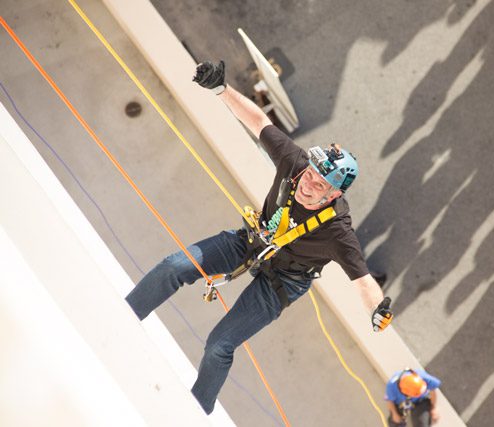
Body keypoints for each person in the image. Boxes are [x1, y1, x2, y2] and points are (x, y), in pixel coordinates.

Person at [125, 60, 394, 414]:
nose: (308, 183)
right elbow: (258, 122)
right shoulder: (294, 163)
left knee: (219, 346)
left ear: (333, 195)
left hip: (283, 281)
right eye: (311, 174)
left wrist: (379, 310)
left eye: (319, 185)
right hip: (252, 240)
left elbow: (362, 281)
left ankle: (195, 412)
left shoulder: (337, 231)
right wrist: (221, 89)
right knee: (173, 266)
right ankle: (125, 314)